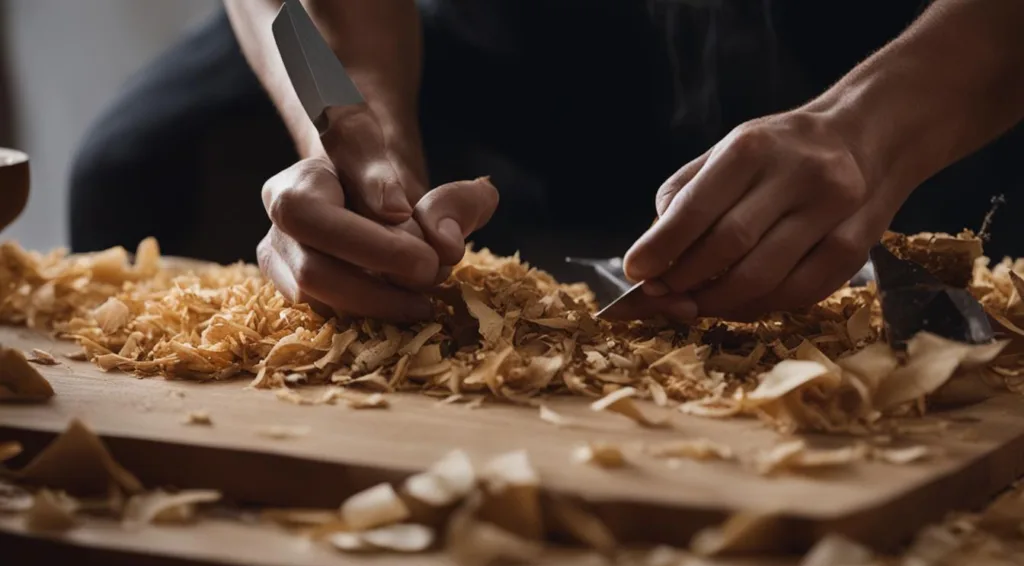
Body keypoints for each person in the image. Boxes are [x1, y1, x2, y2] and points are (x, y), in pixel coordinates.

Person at [70, 0, 1024, 324]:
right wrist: (353, 129)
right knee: (147, 163)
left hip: (913, 40)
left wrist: (878, 125)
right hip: (480, 32)